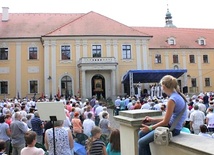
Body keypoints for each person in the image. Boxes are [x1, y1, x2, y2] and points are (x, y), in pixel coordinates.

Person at [138, 75, 187, 155]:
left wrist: (150, 128)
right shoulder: (178, 96)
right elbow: (169, 119)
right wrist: (152, 120)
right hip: (174, 127)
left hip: (172, 129)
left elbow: (166, 122)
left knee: (141, 143)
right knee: (141, 133)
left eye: (161, 85)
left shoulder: (172, 99)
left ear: (164, 86)